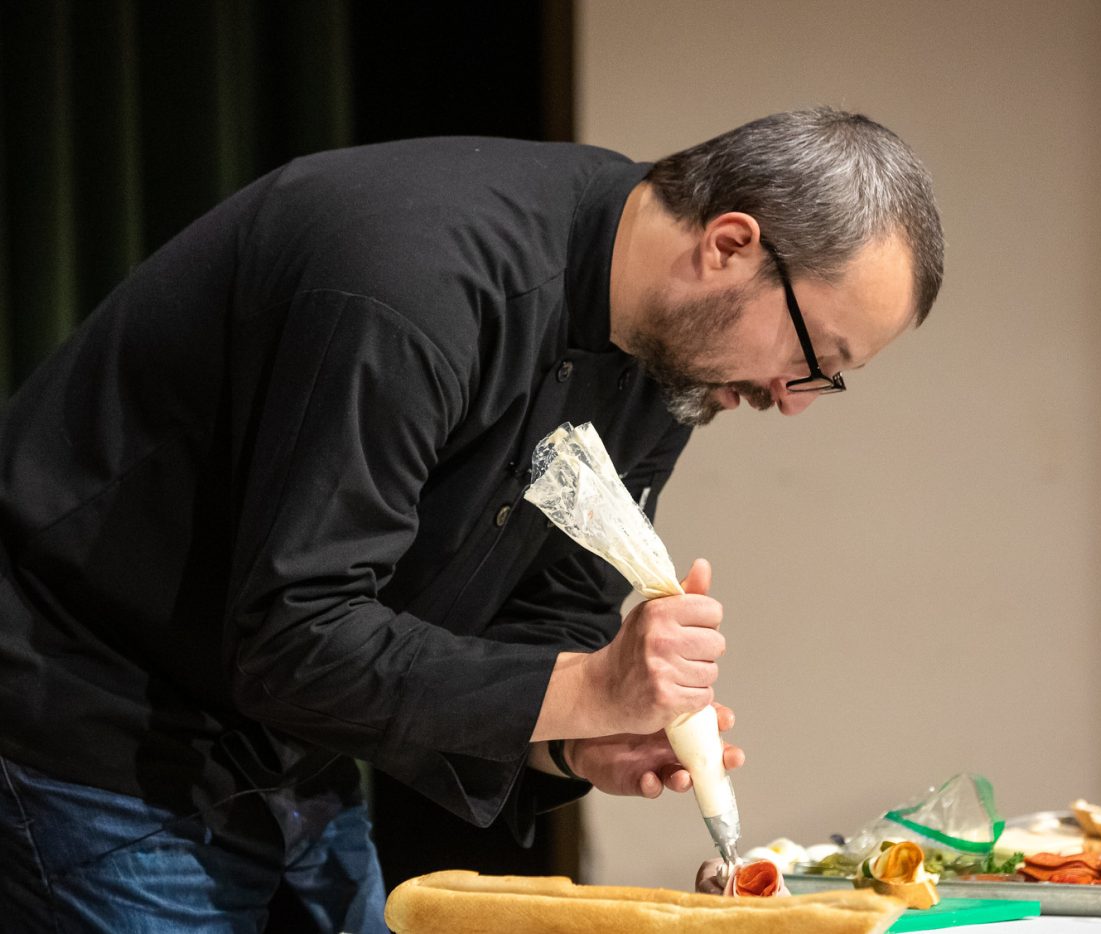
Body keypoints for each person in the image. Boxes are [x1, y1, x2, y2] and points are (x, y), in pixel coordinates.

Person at [0, 107, 944, 932]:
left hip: (291, 750)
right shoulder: (413, 278)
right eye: (814, 355)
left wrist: (577, 733)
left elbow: (557, 612)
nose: (796, 400)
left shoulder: (668, 362)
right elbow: (295, 636)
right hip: (94, 722)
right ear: (729, 245)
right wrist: (587, 687)